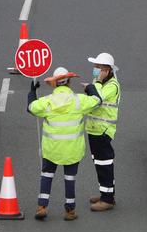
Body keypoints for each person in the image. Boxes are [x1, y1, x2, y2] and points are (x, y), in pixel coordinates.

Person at [27, 66, 102, 221]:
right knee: (70, 178)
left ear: (55, 84)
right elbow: (97, 101)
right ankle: (69, 211)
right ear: (69, 83)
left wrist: (32, 91)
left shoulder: (47, 101)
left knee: (47, 175)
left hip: (52, 149)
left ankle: (42, 206)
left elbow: (31, 107)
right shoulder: (79, 101)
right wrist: (90, 88)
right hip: (72, 150)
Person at [85, 52, 121, 211]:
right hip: (94, 130)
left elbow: (97, 97)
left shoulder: (111, 85)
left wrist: (94, 85)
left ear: (106, 70)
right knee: (99, 163)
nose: (95, 69)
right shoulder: (100, 82)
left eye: (97, 67)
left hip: (103, 131)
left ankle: (107, 199)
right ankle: (105, 193)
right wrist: (91, 86)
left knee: (104, 164)